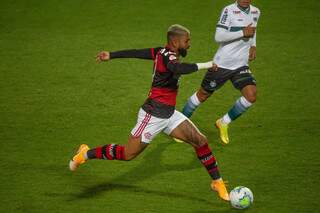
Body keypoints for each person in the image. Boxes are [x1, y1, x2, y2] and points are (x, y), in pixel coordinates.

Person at [69, 24, 229, 201]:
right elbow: (177, 69)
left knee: (200, 141)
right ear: (176, 41)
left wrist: (112, 55)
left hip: (168, 114)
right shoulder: (168, 57)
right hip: (152, 115)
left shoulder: (161, 52)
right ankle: (85, 154)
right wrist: (207, 65)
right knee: (127, 154)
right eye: (187, 41)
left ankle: (217, 182)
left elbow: (138, 52)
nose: (189, 44)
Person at [181, 0, 261, 144]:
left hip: (241, 65)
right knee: (203, 95)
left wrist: (253, 45)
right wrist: (242, 32)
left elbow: (253, 30)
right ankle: (179, 124)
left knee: (251, 96)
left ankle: (223, 122)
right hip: (223, 64)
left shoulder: (256, 11)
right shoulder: (228, 10)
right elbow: (218, 37)